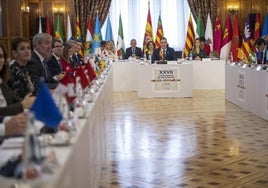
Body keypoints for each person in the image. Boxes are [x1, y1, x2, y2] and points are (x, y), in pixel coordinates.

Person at [0, 43, 35, 116]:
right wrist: (22, 105)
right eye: (22, 48)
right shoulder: (15, 70)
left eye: (1, 56)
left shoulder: (1, 81)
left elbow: (15, 98)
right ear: (14, 53)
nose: (27, 51)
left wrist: (30, 101)